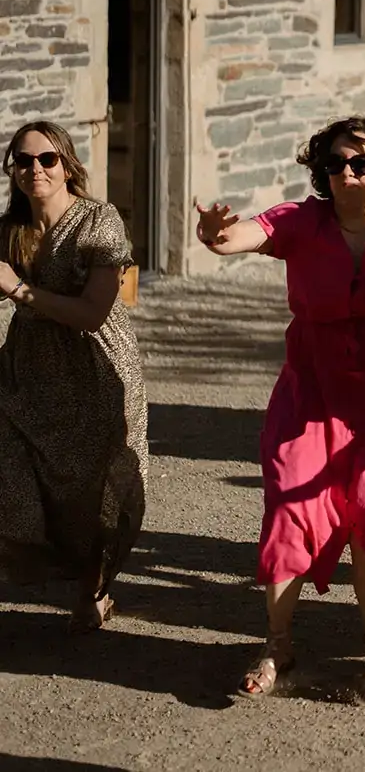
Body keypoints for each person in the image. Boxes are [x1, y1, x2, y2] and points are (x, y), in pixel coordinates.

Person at [194, 116, 365, 701]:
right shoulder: (302, 220)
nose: (346, 172)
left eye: (360, 162)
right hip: (310, 387)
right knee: (291, 506)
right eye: (335, 163)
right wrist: (215, 235)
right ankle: (277, 645)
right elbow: (245, 236)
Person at [0, 122, 147, 633]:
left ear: (67, 165)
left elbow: (92, 313)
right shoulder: (9, 229)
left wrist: (18, 290)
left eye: (47, 159)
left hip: (95, 367)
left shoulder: (98, 222)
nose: (35, 169)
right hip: (27, 368)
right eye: (22, 160)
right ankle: (39, 564)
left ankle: (93, 589)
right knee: (13, 466)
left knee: (91, 489)